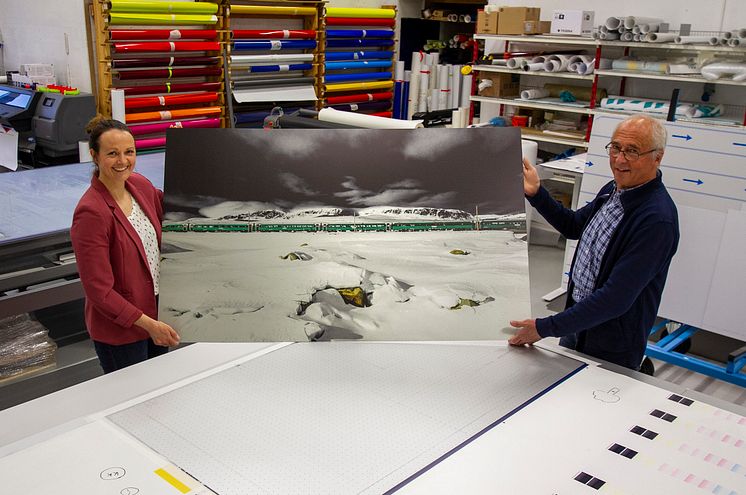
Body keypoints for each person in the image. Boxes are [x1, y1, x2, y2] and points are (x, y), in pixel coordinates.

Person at [509, 114, 679, 370]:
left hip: (612, 344)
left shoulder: (656, 221)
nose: (620, 160)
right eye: (616, 148)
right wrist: (536, 193)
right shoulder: (614, 189)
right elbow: (574, 226)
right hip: (577, 323)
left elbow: (615, 299)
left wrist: (544, 328)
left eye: (632, 151)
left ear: (658, 157)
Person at [71, 117, 180, 373]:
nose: (123, 161)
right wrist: (149, 325)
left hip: (155, 313)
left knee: (157, 390)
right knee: (132, 404)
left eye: (129, 152)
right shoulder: (91, 212)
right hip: (121, 331)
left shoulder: (139, 185)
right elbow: (100, 292)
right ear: (94, 156)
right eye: (112, 154)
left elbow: (178, 208)